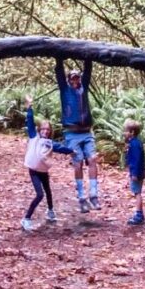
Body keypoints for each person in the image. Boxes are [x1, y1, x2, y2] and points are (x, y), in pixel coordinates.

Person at [21, 94, 73, 232]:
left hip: (43, 171)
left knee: (48, 191)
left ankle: (50, 211)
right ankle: (26, 218)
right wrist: (30, 107)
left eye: (48, 129)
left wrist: (72, 151)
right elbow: (30, 121)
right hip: (34, 171)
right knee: (40, 194)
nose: (45, 131)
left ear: (50, 132)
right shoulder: (34, 136)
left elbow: (61, 148)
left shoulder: (50, 143)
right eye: (43, 128)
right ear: (40, 130)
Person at [55, 57, 100, 213]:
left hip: (87, 132)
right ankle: (81, 197)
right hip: (71, 133)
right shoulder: (64, 90)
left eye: (77, 77)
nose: (76, 79)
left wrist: (88, 56)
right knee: (78, 162)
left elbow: (88, 71)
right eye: (72, 77)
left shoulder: (84, 88)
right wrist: (58, 57)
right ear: (68, 80)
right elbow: (59, 72)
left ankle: (94, 194)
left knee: (93, 159)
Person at [123, 119, 145, 225]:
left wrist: (135, 173)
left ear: (132, 132)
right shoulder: (133, 143)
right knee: (137, 192)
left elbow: (137, 159)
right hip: (137, 171)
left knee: (137, 193)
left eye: (126, 131)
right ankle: (140, 213)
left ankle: (139, 215)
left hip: (137, 172)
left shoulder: (135, 144)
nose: (124, 133)